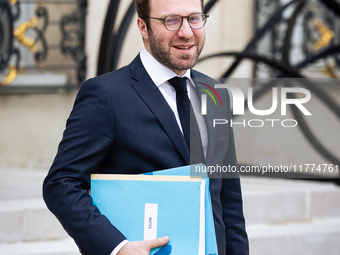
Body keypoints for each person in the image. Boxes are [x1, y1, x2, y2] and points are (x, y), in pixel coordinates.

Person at [43, 0, 249, 254]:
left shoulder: (215, 94)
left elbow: (228, 200)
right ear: (143, 27)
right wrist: (118, 248)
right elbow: (61, 184)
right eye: (171, 20)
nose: (186, 32)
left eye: (194, 18)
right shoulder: (105, 94)